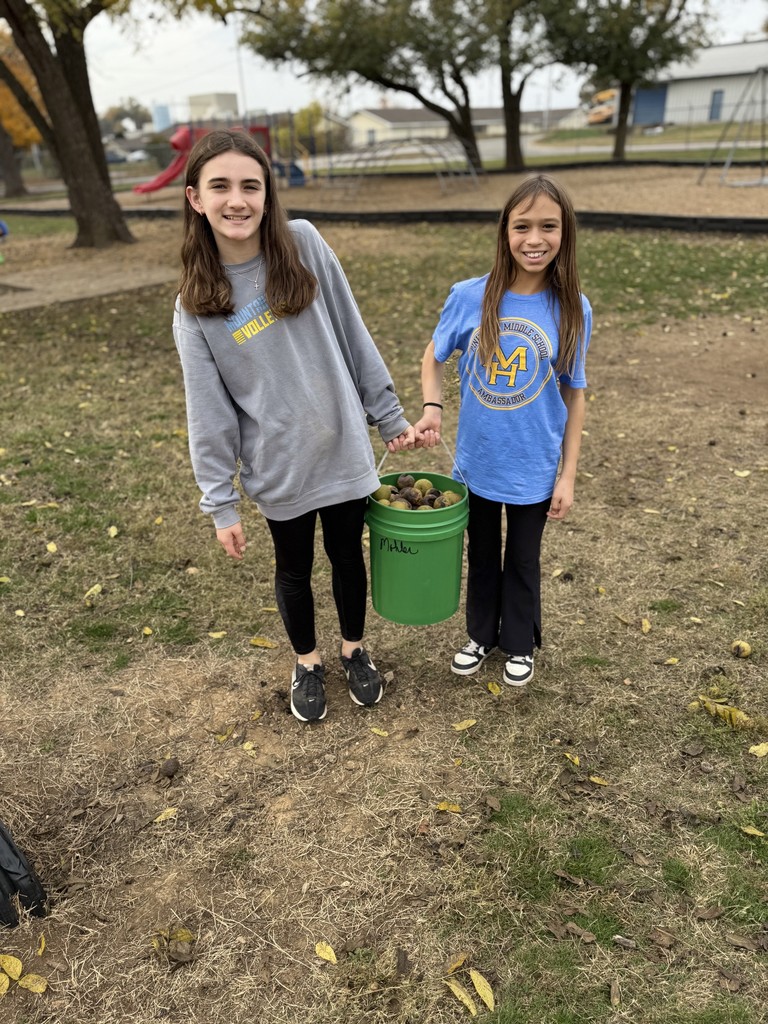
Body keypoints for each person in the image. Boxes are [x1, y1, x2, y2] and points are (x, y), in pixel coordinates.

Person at [173, 129, 415, 723]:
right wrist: (221, 503)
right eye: (221, 186)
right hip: (279, 467)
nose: (238, 200)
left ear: (267, 193)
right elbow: (208, 413)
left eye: (250, 186)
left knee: (347, 556)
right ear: (195, 199)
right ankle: (307, 663)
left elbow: (352, 332)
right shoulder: (195, 304)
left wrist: (387, 414)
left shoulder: (302, 243)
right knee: (295, 569)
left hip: (343, 448)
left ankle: (354, 651)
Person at [414, 174, 592, 687]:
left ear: (565, 233)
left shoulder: (572, 307)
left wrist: (569, 474)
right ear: (505, 231)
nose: (535, 239)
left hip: (534, 463)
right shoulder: (471, 296)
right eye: (522, 226)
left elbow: (573, 392)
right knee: (482, 553)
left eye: (548, 226)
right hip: (477, 460)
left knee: (522, 558)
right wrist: (432, 407)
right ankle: (480, 636)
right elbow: (433, 355)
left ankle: (519, 643)